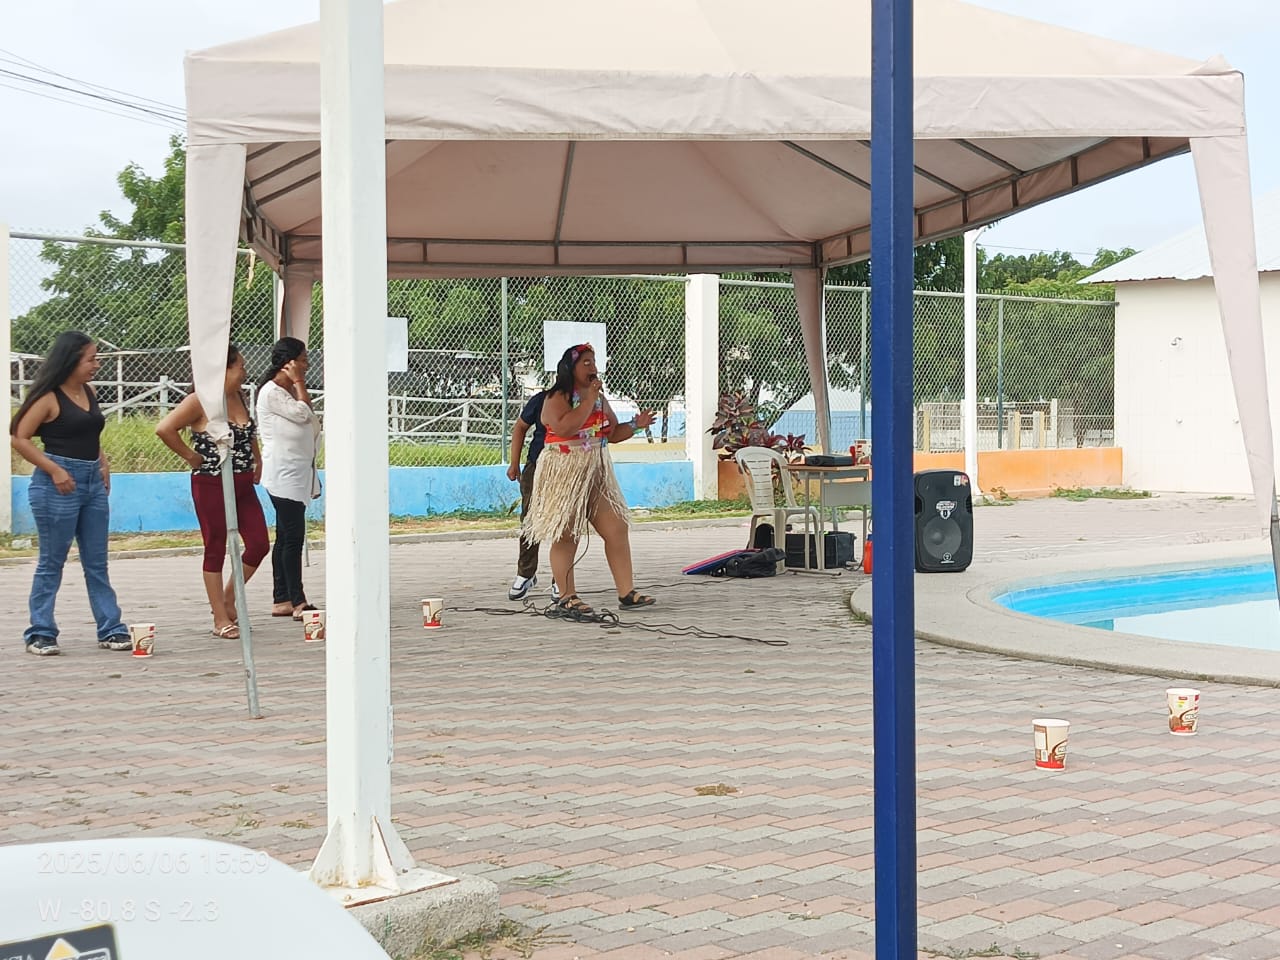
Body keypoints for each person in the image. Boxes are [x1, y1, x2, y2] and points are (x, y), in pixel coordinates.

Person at [9, 331, 131, 656]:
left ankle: (111, 628)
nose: (96, 364)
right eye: (91, 359)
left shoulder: (89, 392)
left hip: (92, 482)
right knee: (52, 561)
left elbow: (91, 433)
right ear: (71, 360)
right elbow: (19, 437)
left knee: (97, 562)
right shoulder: (49, 397)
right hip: (57, 484)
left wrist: (103, 463)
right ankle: (40, 632)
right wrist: (54, 470)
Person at [523, 343, 658, 615]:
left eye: (594, 362)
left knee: (616, 527)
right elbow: (565, 427)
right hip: (564, 470)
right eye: (586, 362)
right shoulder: (556, 397)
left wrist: (636, 425)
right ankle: (567, 597)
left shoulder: (598, 399)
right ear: (570, 368)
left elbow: (612, 433)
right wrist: (587, 400)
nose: (593, 367)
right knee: (567, 532)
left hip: (595, 472)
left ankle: (626, 592)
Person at [155, 343, 270, 639]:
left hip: (243, 483)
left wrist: (257, 460)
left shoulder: (238, 396)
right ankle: (220, 616)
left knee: (259, 543)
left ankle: (230, 597)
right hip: (212, 482)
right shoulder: (201, 400)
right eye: (240, 366)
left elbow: (248, 433)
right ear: (224, 370)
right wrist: (191, 456)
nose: (244, 372)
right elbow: (164, 429)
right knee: (216, 545)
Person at [255, 337, 322, 621]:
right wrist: (299, 383)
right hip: (283, 474)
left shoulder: (286, 393)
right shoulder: (273, 392)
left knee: (285, 537)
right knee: (293, 538)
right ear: (289, 363)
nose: (307, 365)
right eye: (303, 360)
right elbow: (302, 414)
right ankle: (298, 601)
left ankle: (281, 598)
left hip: (296, 472)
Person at [505, 389, 560, 602]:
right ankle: (526, 573)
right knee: (530, 519)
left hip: (567, 469)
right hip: (536, 465)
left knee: (562, 523)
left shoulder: (584, 401)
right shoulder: (541, 399)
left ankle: (561, 579)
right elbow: (520, 427)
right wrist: (514, 463)